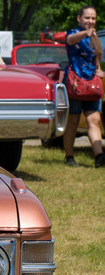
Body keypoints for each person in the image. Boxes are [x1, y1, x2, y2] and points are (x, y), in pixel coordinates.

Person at [63, 5, 105, 168]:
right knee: (72, 122)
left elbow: (96, 59)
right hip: (75, 84)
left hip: (92, 85)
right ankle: (69, 156)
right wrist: (84, 34)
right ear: (79, 18)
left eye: (93, 18)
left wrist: (99, 70)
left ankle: (99, 156)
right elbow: (70, 40)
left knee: (94, 120)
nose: (90, 21)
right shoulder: (73, 33)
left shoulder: (94, 37)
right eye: (87, 18)